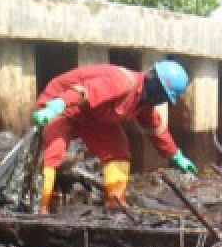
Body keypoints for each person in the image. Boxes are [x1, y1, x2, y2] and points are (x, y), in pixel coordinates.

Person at [31, 61, 198, 213]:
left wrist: (175, 155)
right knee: (55, 151)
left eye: (165, 98)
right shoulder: (123, 82)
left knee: (118, 150)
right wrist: (55, 107)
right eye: (162, 94)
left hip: (93, 115)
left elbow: (155, 128)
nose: (161, 100)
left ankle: (116, 203)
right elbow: (84, 92)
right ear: (152, 79)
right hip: (63, 103)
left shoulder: (143, 101)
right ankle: (41, 207)